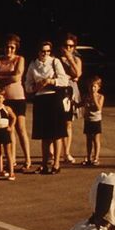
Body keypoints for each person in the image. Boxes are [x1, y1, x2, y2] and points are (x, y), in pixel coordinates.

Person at [24, 41, 67, 174]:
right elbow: (28, 85)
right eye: (43, 51)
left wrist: (50, 81)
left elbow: (64, 80)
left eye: (48, 51)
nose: (45, 54)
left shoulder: (55, 62)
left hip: (54, 97)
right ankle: (44, 163)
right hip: (40, 99)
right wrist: (36, 87)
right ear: (38, 52)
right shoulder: (33, 64)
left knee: (56, 133)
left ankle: (56, 164)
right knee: (44, 134)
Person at [0, 34, 32, 170]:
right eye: (7, 47)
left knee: (21, 127)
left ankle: (27, 159)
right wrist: (5, 77)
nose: (9, 50)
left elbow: (17, 77)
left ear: (16, 48)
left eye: (12, 47)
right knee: (9, 130)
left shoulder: (20, 59)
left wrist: (0, 77)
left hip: (18, 97)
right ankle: (12, 160)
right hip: (4, 99)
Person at [57, 34, 83, 165]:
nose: (68, 48)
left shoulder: (77, 59)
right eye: (66, 46)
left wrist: (70, 58)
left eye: (71, 46)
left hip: (71, 91)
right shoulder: (56, 60)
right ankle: (56, 152)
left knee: (68, 123)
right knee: (58, 122)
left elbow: (77, 73)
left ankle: (66, 152)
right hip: (59, 91)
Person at [0, 87, 17, 181]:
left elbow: (14, 117)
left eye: (0, 97)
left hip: (5, 131)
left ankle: (12, 172)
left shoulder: (6, 108)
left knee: (8, 152)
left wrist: (11, 126)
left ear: (3, 98)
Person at [80, 75, 104, 166]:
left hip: (96, 120)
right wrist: (74, 103)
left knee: (96, 139)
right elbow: (81, 104)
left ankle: (96, 157)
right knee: (89, 139)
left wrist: (94, 98)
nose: (92, 88)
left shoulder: (100, 97)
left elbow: (99, 108)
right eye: (91, 86)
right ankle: (89, 157)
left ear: (98, 87)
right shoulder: (86, 96)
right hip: (88, 120)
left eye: (94, 86)